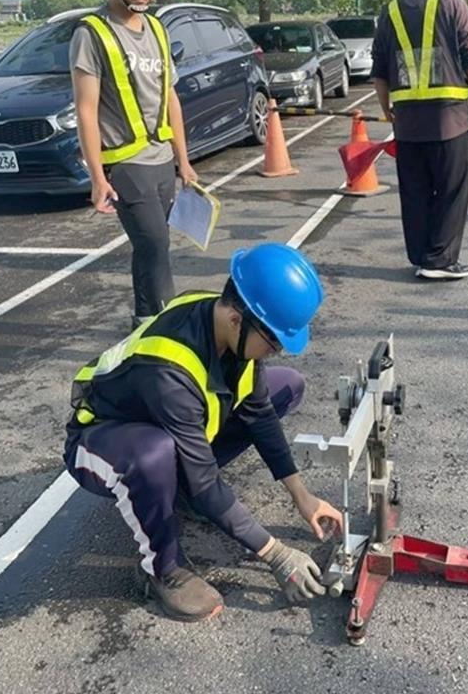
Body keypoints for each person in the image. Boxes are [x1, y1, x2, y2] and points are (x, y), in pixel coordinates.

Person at [63, 243, 344, 622]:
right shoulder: (168, 372)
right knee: (155, 454)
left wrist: (302, 495)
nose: (275, 351)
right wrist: (276, 553)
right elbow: (206, 482)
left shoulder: (230, 321)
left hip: (167, 424)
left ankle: (172, 490)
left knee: (286, 385)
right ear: (236, 319)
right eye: (273, 341)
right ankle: (162, 569)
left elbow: (258, 411)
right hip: (101, 442)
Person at [71, 0, 198, 330]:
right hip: (126, 164)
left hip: (161, 161)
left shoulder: (158, 29)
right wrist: (96, 177)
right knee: (155, 245)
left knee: (150, 248)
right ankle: (165, 330)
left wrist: (184, 161)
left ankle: (144, 323)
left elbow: (170, 97)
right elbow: (86, 111)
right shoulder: (92, 35)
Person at [371, 0, 468, 281]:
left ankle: (422, 256)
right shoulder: (453, 4)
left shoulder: (389, 12)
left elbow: (379, 70)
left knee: (414, 193)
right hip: (450, 123)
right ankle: (440, 261)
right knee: (451, 191)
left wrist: (387, 109)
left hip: (408, 126)